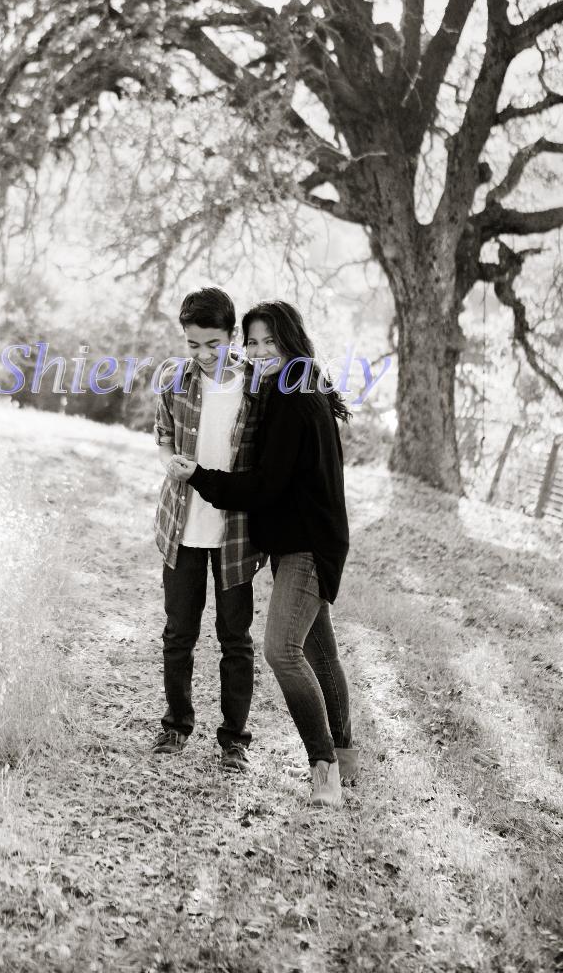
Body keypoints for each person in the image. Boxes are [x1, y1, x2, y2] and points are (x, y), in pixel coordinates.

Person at [167, 300, 356, 807]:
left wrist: (199, 477)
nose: (259, 351)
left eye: (270, 341)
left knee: (281, 650)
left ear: (291, 341)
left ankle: (324, 768)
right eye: (252, 342)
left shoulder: (294, 399)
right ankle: (346, 757)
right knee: (320, 652)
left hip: (308, 545)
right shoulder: (292, 385)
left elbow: (263, 487)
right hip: (305, 538)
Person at [152, 286, 269, 772]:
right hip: (182, 526)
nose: (202, 354)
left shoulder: (256, 386)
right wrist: (170, 462)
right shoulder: (174, 381)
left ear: (232, 336)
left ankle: (234, 740)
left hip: (234, 534)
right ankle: (176, 724)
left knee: (234, 637)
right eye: (193, 344)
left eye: (213, 344)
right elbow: (163, 436)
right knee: (179, 632)